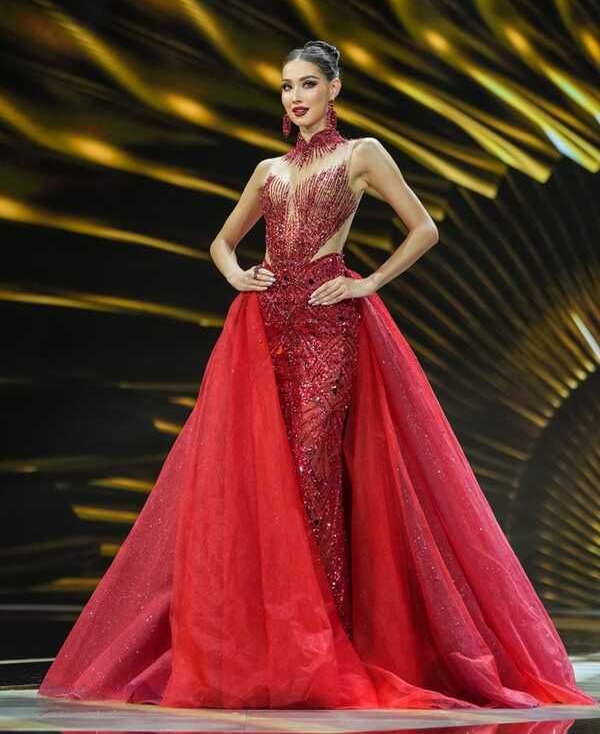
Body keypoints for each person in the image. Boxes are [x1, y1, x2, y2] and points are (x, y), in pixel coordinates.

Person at [37, 40, 597, 711]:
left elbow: (423, 229)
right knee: (259, 477)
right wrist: (237, 275)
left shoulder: (361, 154)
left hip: (329, 325)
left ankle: (325, 640)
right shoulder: (268, 168)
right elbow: (222, 240)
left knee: (312, 470)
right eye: (286, 86)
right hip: (263, 330)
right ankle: (275, 637)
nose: (295, 96)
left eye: (307, 83)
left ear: (334, 88)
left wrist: (369, 283)